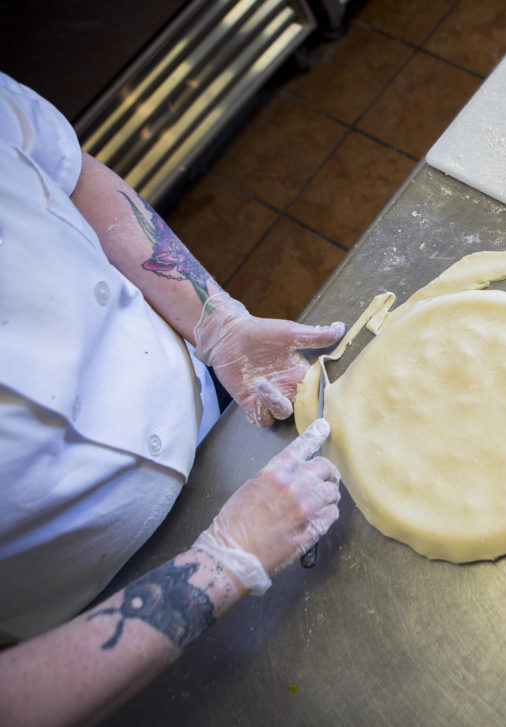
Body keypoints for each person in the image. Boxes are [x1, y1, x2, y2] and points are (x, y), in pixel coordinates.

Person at [0, 71, 346, 724]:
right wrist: (224, 562)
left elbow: (72, 177)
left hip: (206, 408)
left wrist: (217, 323)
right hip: (90, 618)